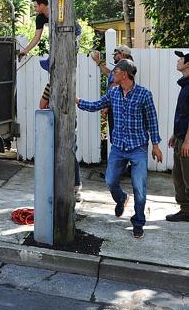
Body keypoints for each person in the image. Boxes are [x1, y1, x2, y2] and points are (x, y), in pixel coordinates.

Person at [76, 59, 163, 239]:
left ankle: (138, 222)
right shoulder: (113, 93)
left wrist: (155, 145)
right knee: (110, 181)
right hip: (118, 146)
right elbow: (96, 105)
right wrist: (77, 101)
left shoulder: (144, 94)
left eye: (115, 72)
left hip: (137, 147)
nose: (112, 75)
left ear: (124, 74)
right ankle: (121, 198)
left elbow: (152, 121)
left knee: (139, 188)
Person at [39, 82, 82, 201]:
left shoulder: (50, 85)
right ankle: (76, 187)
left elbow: (42, 105)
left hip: (58, 123)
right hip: (71, 122)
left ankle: (68, 186)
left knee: (60, 153)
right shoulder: (70, 82)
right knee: (71, 153)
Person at [18, 0, 81, 71]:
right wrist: (25, 51)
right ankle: (51, 63)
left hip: (73, 32)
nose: (34, 9)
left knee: (67, 54)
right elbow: (37, 37)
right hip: (58, 34)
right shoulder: (40, 18)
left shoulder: (57, 10)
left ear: (42, 5)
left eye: (35, 6)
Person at [91, 45, 134, 141]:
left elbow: (115, 85)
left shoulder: (126, 67)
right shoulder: (122, 67)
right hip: (115, 107)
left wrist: (106, 106)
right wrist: (98, 61)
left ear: (122, 54)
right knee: (115, 136)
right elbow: (109, 74)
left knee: (116, 137)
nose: (114, 57)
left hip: (117, 108)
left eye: (116, 54)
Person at [166, 51, 189, 222]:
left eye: (181, 59)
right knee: (178, 175)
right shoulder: (185, 85)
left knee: (187, 176)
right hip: (181, 137)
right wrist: (175, 134)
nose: (178, 61)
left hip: (187, 140)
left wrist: (188, 140)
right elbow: (183, 114)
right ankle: (185, 210)